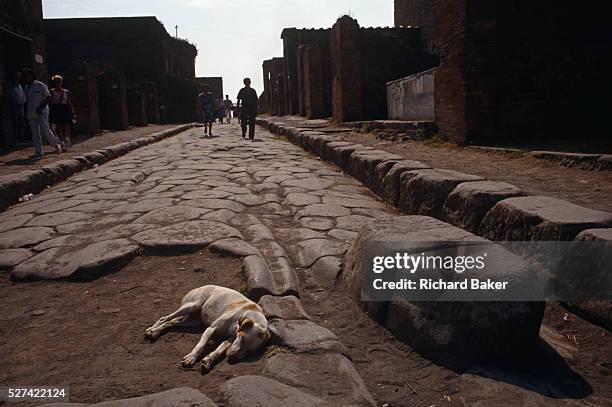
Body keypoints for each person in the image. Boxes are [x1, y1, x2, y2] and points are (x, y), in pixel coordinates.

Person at [22, 68, 62, 158]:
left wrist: (41, 107)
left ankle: (56, 145)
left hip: (42, 111)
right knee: (35, 132)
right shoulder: (26, 87)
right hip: (31, 112)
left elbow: (48, 97)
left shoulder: (40, 85)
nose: (25, 77)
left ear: (31, 75)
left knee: (45, 129)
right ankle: (39, 151)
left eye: (26, 75)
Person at [49, 75, 76, 148]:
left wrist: (72, 112)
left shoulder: (66, 92)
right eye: (56, 82)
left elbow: (69, 102)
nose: (57, 83)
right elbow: (50, 103)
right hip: (57, 109)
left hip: (65, 109)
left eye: (59, 82)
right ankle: (61, 141)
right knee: (59, 126)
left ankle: (67, 138)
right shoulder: (52, 91)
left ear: (61, 82)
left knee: (67, 125)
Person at [10, 72, 26, 144]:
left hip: (21, 105)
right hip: (15, 105)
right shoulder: (11, 84)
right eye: (17, 76)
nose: (19, 77)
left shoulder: (19, 84)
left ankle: (21, 137)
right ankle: (15, 138)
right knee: (15, 122)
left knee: (21, 122)